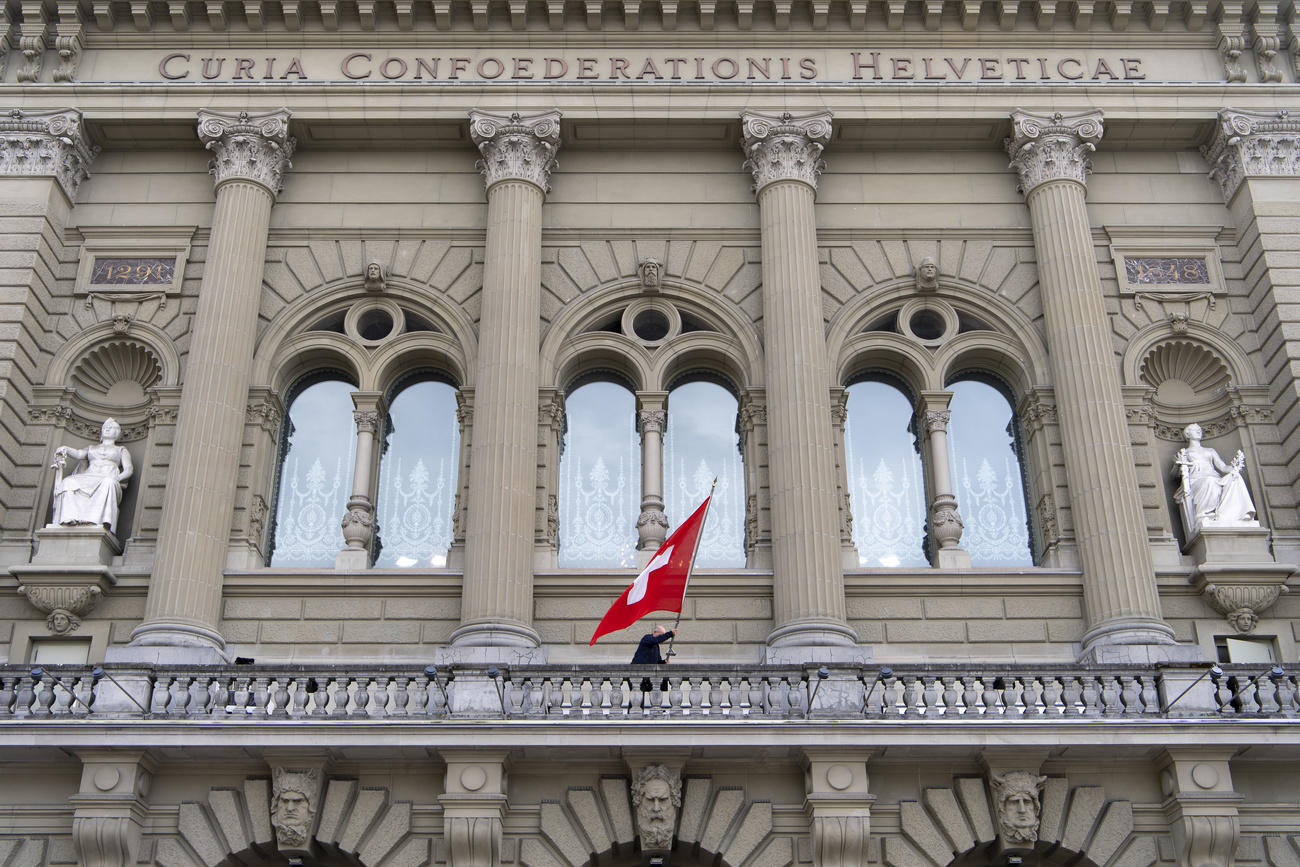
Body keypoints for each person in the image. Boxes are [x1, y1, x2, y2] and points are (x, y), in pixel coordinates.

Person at [50, 418, 133, 534]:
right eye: (105, 427)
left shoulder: (121, 450)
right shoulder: (92, 448)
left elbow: (128, 469)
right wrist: (66, 449)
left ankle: (93, 520)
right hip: (88, 476)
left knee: (108, 482)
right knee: (68, 482)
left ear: (117, 433)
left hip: (107, 477)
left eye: (111, 427)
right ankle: (69, 517)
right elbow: (79, 454)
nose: (108, 428)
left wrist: (117, 478)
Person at [1174, 422, 1256, 534]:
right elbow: (1174, 474)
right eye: (1195, 430)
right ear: (1188, 434)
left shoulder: (1210, 451)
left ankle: (1240, 512)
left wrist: (1234, 468)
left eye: (1199, 429)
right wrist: (1179, 466)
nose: (1199, 431)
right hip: (1196, 481)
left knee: (1235, 478)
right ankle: (1204, 514)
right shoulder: (1184, 453)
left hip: (1215, 478)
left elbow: (1222, 467)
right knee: (1209, 481)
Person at [632, 624, 678, 699]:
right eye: (661, 635)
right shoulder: (647, 638)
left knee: (643, 697)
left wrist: (664, 662)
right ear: (655, 632)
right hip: (637, 673)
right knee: (637, 699)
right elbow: (657, 639)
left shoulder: (656, 646)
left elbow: (657, 661)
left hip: (645, 673)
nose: (662, 638)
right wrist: (670, 634)